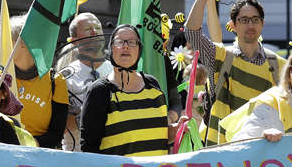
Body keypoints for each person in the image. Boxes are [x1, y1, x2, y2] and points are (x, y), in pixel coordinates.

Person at [184, 0, 285, 145]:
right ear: (234, 25)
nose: (250, 25)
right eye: (244, 20)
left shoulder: (279, 65)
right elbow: (192, 33)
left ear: (262, 23)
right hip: (222, 154)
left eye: (255, 20)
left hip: (263, 154)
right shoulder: (220, 56)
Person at [80, 25, 174, 156]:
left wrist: (176, 131)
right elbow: (89, 149)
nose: (126, 46)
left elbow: (157, 134)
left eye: (132, 42)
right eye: (119, 42)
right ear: (111, 49)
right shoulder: (100, 91)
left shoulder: (152, 84)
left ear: (139, 49)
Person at [9, 15, 68, 148]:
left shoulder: (55, 80)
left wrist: (28, 144)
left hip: (40, 159)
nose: (1, 44)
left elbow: (57, 134)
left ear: (23, 43)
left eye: (7, 39)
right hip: (4, 154)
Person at [58, 12, 111, 151]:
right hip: (76, 159)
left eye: (98, 27)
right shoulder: (62, 78)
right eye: (88, 29)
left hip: (113, 158)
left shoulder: (118, 71)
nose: (95, 32)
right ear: (74, 41)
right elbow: (58, 125)